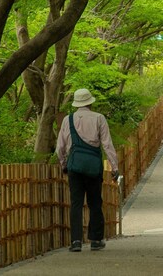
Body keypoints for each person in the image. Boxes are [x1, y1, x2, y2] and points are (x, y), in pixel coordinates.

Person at [56, 88, 120, 252]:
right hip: (93, 167)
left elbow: (60, 147)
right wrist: (114, 167)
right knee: (95, 202)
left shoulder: (67, 120)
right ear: (90, 102)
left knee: (76, 203)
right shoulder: (99, 118)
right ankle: (95, 240)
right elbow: (107, 144)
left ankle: (76, 241)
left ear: (77, 103)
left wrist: (64, 164)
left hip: (74, 167)